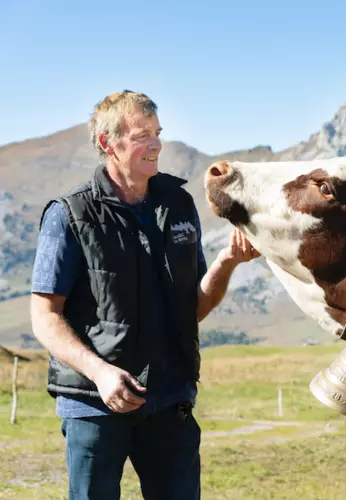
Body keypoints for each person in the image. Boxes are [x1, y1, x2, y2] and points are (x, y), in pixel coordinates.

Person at [29, 90, 259, 499]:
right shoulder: (69, 214)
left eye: (158, 133)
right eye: (141, 135)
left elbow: (192, 310)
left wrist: (226, 263)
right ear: (107, 144)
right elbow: (44, 318)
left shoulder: (180, 204)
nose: (155, 144)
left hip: (170, 399)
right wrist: (100, 373)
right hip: (94, 404)